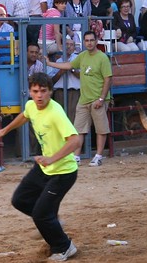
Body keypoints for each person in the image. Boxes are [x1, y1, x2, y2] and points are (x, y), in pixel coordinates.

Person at [0, 72, 80, 262]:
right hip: (44, 168)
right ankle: (51, 221)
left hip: (63, 172)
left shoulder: (56, 113)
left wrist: (52, 158)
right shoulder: (31, 105)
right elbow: (25, 115)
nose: (39, 96)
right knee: (20, 200)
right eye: (35, 91)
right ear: (30, 92)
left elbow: (75, 141)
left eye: (43, 91)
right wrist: (4, 130)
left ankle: (64, 247)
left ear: (50, 92)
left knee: (41, 215)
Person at [45, 30, 112, 167]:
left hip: (97, 99)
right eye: (86, 40)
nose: (89, 43)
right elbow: (69, 65)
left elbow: (108, 79)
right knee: (78, 129)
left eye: (91, 40)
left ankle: (98, 156)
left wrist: (101, 98)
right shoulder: (82, 56)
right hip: (84, 98)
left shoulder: (102, 57)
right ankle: (76, 157)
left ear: (96, 41)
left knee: (100, 129)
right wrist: (50, 64)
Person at [47, 38, 80, 123]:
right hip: (60, 92)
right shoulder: (59, 61)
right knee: (60, 119)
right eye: (66, 44)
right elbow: (52, 80)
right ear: (62, 46)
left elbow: (82, 76)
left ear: (74, 47)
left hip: (73, 92)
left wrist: (71, 69)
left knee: (73, 118)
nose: (69, 47)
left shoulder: (78, 59)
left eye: (71, 44)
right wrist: (60, 72)